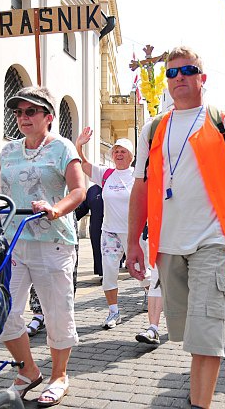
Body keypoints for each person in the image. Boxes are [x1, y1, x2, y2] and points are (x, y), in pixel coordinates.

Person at [126, 46, 225, 409]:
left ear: (203, 78)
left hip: (211, 242)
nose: (179, 77)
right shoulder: (154, 128)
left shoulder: (224, 123)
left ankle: (200, 402)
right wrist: (132, 243)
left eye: (187, 70)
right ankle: (196, 392)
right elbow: (140, 185)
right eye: (172, 73)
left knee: (206, 333)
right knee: (189, 333)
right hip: (167, 245)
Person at [0, 86, 85, 406]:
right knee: (3, 312)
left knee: (57, 312)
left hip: (54, 242)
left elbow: (79, 190)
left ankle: (59, 375)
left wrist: (56, 209)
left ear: (48, 117)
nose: (23, 117)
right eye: (19, 112)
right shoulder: (9, 150)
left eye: (31, 111)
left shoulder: (62, 148)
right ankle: (28, 371)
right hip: (13, 242)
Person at [74, 130, 157, 332]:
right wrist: (79, 146)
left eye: (123, 151)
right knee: (109, 273)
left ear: (131, 156)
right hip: (109, 232)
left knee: (143, 273)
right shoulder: (106, 174)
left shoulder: (138, 175)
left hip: (134, 234)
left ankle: (149, 295)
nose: (119, 154)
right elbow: (83, 165)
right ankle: (113, 311)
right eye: (116, 151)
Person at [75, 184, 105, 278]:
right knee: (98, 248)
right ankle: (103, 274)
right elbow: (82, 209)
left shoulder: (116, 185)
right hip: (96, 225)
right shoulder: (92, 190)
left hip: (117, 225)